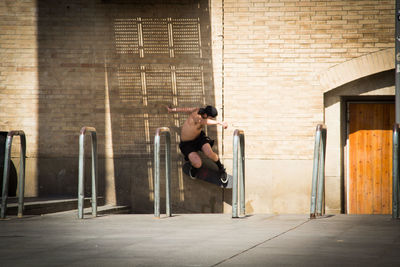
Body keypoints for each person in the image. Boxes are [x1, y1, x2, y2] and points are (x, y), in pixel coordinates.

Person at [166, 105, 228, 184]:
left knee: (210, 153)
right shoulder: (198, 117)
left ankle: (221, 168)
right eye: (211, 117)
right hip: (187, 144)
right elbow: (205, 122)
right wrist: (220, 123)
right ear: (206, 115)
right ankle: (194, 168)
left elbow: (186, 109)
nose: (211, 119)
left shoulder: (200, 110)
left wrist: (172, 110)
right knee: (198, 163)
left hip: (199, 138)